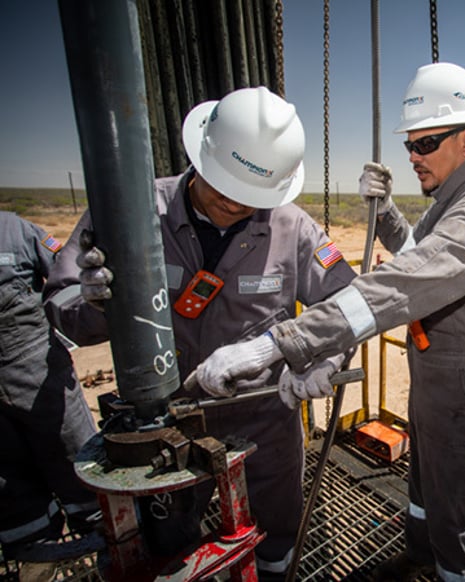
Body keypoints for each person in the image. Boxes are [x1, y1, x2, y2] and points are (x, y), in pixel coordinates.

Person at [191, 62, 465, 581]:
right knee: (424, 484)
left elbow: (404, 283)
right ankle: (419, 557)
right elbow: (425, 256)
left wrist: (276, 346)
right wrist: (389, 212)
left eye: (425, 143)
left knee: (459, 512)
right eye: (409, 145)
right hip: (438, 377)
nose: (412, 156)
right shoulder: (452, 200)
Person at [43, 87, 357, 577]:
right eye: (222, 187)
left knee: (276, 531)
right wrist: (93, 303)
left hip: (264, 419)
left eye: (249, 196)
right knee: (169, 541)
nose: (233, 203)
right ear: (201, 155)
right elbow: (63, 310)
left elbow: (347, 303)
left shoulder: (292, 228)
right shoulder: (132, 213)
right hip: (167, 421)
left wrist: (326, 356)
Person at [0, 212, 99, 560]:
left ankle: (102, 531)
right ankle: (32, 549)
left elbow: (64, 278)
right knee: (9, 478)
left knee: (76, 453)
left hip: (39, 371)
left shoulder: (15, 231)